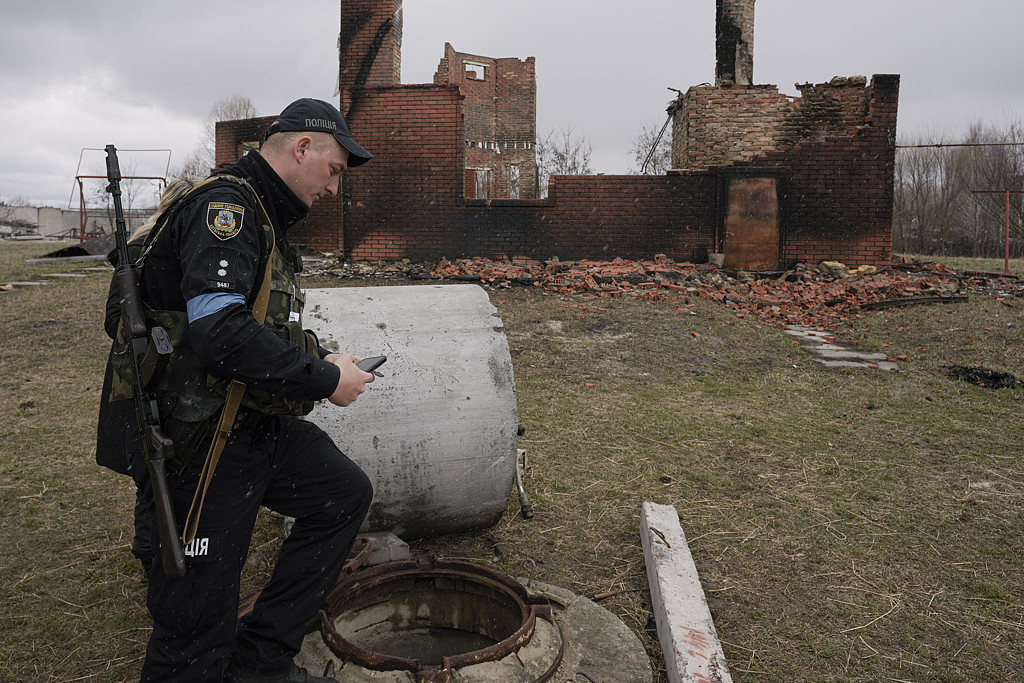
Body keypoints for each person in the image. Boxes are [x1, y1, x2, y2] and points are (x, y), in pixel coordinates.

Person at [96, 98, 375, 682]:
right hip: (198, 442)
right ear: (303, 148)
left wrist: (320, 357)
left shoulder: (263, 216)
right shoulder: (230, 209)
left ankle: (260, 663)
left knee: (341, 495)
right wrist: (325, 380)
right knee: (194, 625)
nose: (333, 189)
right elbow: (219, 332)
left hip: (247, 420)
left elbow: (249, 325)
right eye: (334, 171)